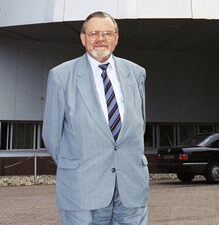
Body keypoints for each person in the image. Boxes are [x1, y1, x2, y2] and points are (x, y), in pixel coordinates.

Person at [42, 11, 148, 225]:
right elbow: (51, 136)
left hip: (131, 192)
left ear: (116, 39)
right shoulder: (61, 76)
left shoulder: (136, 74)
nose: (101, 38)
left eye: (107, 33)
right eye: (94, 33)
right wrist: (76, 168)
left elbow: (140, 126)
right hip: (82, 193)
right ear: (83, 38)